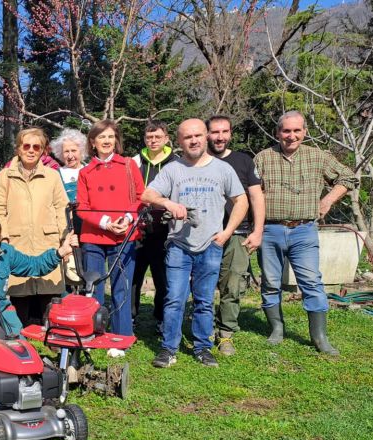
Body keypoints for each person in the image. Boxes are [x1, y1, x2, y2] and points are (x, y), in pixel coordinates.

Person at [143, 118, 248, 368]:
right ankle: (168, 348)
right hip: (178, 245)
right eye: (188, 137)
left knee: (203, 300)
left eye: (198, 135)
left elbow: (241, 201)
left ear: (206, 137)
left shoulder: (222, 169)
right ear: (179, 141)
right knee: (174, 299)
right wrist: (169, 203)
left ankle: (202, 348)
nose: (194, 140)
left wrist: (227, 232)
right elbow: (147, 194)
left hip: (211, 244)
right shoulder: (173, 169)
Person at [254, 111, 357, 355]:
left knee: (311, 282)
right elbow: (252, 192)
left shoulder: (318, 157)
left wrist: (329, 199)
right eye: (286, 131)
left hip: (304, 231)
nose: (291, 136)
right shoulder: (263, 158)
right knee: (270, 282)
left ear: (305, 132)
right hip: (270, 230)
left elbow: (349, 176)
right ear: (278, 132)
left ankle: (319, 337)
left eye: (296, 131)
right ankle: (276, 329)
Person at [76, 120, 145, 356]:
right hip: (94, 236)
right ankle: (94, 334)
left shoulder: (128, 165)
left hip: (124, 236)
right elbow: (82, 208)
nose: (106, 141)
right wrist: (105, 222)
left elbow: (141, 197)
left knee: (121, 288)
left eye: (110, 136)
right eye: (101, 137)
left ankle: (121, 337)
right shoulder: (85, 172)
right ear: (93, 143)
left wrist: (126, 218)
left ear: (116, 140)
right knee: (93, 289)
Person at [0, 127, 69, 326]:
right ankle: (20, 343)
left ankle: (54, 345)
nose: (31, 150)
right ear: (18, 149)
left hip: (47, 242)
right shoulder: (4, 176)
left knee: (49, 299)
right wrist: (3, 240)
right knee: (19, 297)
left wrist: (65, 238)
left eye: (37, 146)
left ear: (43, 151)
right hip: (16, 244)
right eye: (27, 146)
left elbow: (62, 208)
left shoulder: (52, 176)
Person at [0, 215, 78, 335]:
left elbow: (34, 265)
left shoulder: (6, 252)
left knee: (22, 351)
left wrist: (60, 252)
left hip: (3, 314)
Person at [206, 115, 265, 356]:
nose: (220, 137)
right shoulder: (197, 161)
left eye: (224, 132)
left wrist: (258, 230)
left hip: (238, 234)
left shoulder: (243, 161)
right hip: (205, 235)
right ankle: (204, 329)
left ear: (230, 133)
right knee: (204, 285)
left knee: (233, 285)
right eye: (215, 132)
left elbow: (256, 197)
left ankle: (226, 333)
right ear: (207, 134)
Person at [130, 120, 178, 322]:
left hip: (164, 229)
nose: (153, 141)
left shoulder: (176, 163)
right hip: (137, 229)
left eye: (158, 137)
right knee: (134, 276)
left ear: (166, 138)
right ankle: (130, 317)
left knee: (162, 277)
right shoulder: (134, 161)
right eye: (149, 137)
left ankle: (160, 318)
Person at [50, 128, 87, 203]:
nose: (70, 156)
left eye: (73, 151)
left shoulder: (90, 170)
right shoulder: (56, 174)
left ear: (81, 151)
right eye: (66, 151)